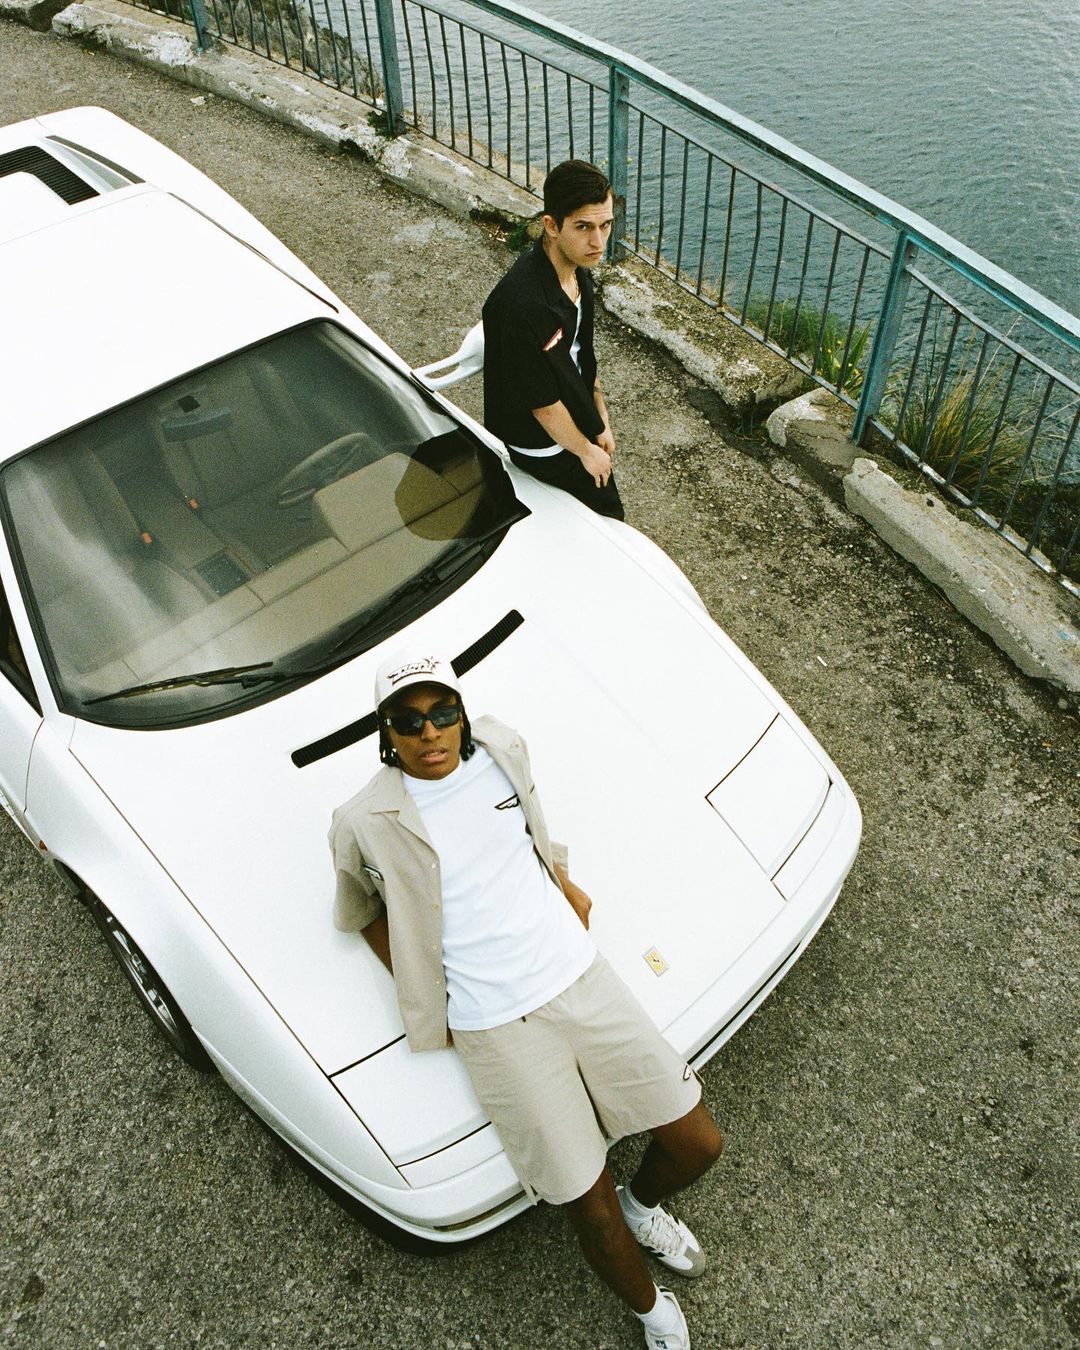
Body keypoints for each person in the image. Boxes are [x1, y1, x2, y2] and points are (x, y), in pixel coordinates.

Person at [329, 650, 723, 1350]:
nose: (429, 732)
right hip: (496, 1027)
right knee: (586, 1206)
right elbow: (361, 911)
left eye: (441, 712)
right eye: (409, 721)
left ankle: (642, 1206)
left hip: (581, 981)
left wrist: (564, 882)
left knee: (698, 1142)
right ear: (387, 731)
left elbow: (530, 829)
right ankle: (653, 1315)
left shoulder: (502, 748)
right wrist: (423, 985)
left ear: (461, 712)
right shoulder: (363, 819)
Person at [482, 159, 625, 520]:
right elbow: (542, 404)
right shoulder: (522, 306)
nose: (598, 242)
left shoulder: (575, 271)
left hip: (570, 414)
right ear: (551, 225)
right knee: (607, 518)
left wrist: (600, 419)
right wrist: (586, 451)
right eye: (583, 227)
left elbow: (580, 353)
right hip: (541, 441)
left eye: (606, 225)